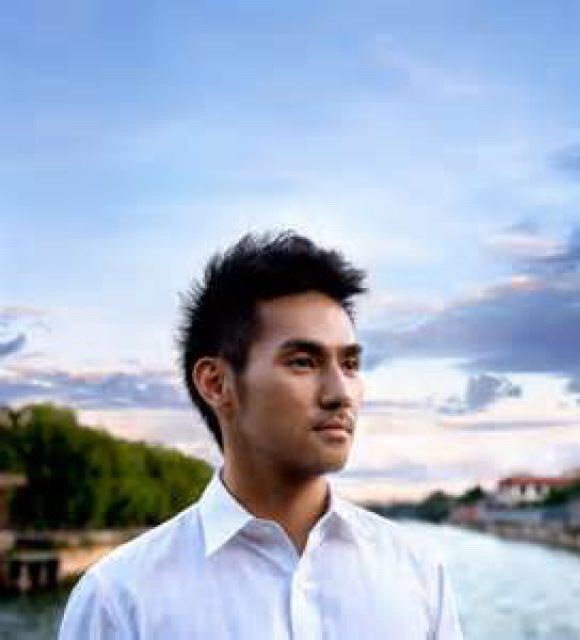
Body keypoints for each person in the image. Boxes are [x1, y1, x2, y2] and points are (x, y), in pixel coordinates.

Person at [59, 231, 464, 639]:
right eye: (303, 362)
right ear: (216, 383)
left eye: (350, 365)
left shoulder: (419, 575)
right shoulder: (119, 602)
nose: (341, 393)